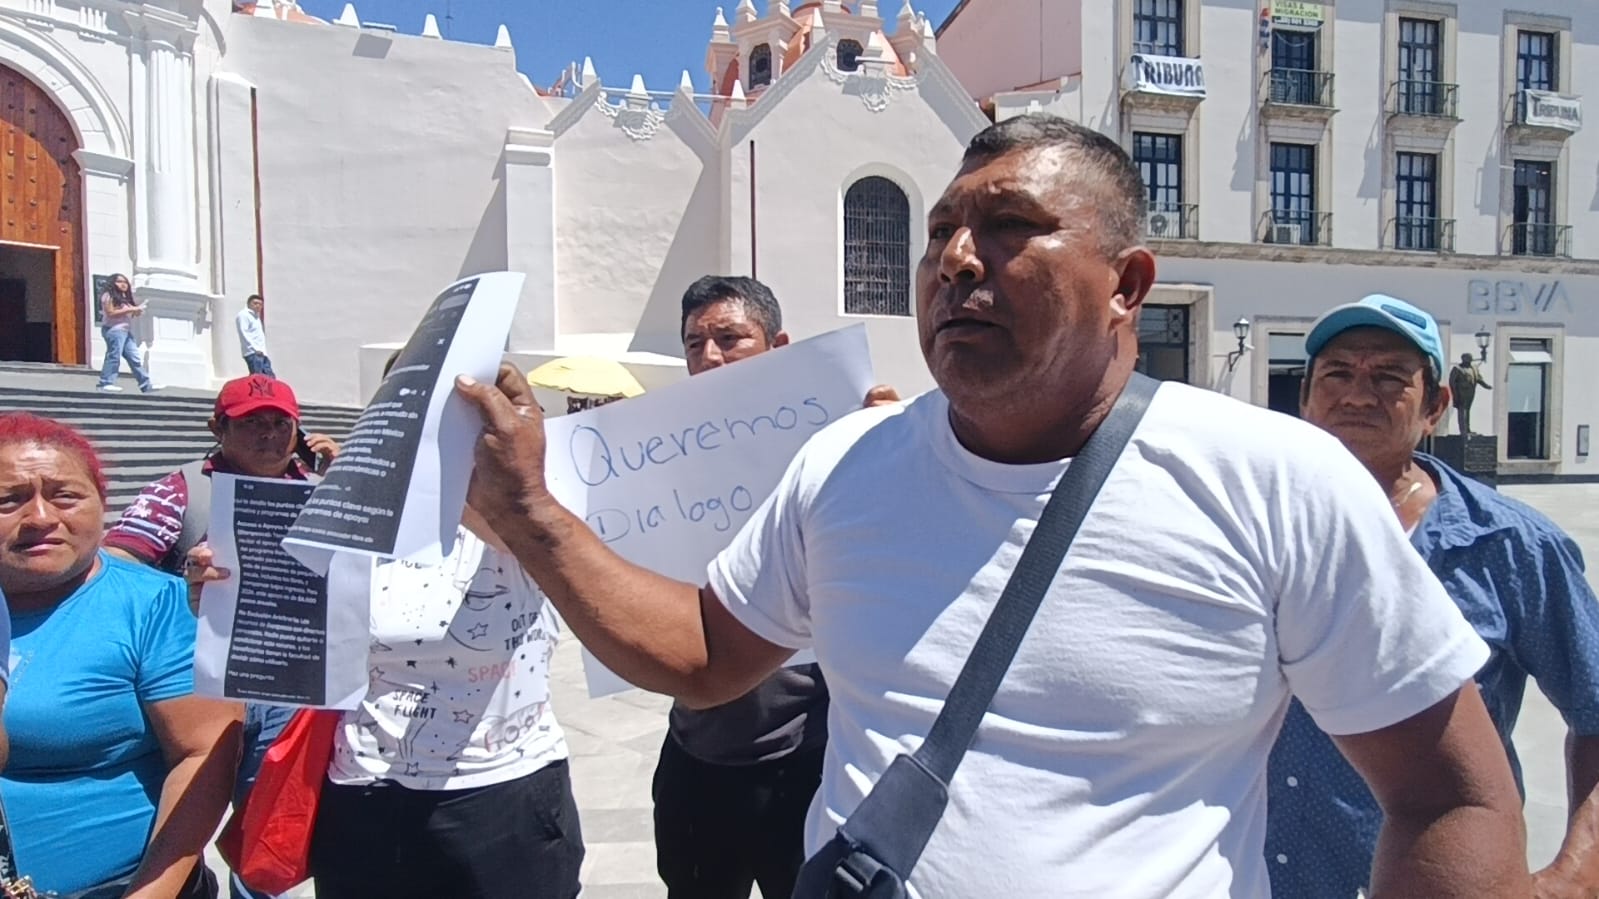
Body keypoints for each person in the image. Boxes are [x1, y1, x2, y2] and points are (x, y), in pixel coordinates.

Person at [454, 113, 1530, 896]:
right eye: (940, 232)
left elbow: (1452, 798)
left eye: (1011, 225)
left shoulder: (1279, 482)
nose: (956, 260)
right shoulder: (845, 463)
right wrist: (531, 511)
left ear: (1127, 284)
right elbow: (704, 650)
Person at [1266, 294, 1599, 898]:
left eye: (1389, 377)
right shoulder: (1246, 527)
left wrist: (1579, 874)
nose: (1358, 395)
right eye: (1337, 373)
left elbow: (1595, 704)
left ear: (1436, 407)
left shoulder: (1511, 545)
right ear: (1306, 398)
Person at [648, 275, 897, 899]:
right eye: (695, 343)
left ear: (778, 346)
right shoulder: (655, 457)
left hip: (807, 761)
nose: (710, 357)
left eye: (730, 338)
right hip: (696, 756)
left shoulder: (835, 444)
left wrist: (888, 448)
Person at [103, 373, 338, 899]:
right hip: (193, 689)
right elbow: (117, 567)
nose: (269, 435)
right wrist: (180, 587)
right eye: (251, 423)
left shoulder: (322, 491)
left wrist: (351, 485)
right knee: (180, 825)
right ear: (218, 428)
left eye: (280, 423)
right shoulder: (181, 491)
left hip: (286, 686)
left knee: (267, 833)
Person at [0, 412, 241, 897]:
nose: (41, 517)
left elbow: (203, 755)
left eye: (65, 496)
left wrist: (151, 892)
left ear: (103, 506)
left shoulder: (157, 606)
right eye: (9, 500)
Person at [96, 273, 155, 394]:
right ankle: (105, 383)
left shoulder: (123, 299)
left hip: (125, 331)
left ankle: (145, 384)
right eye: (119, 281)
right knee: (114, 356)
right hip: (114, 330)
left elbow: (130, 313)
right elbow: (111, 313)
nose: (123, 284)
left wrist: (138, 310)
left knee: (134, 358)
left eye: (125, 282)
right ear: (112, 283)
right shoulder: (108, 296)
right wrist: (131, 309)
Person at [1449, 351, 1492, 436]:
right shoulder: (1457, 369)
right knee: (1462, 411)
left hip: (1471, 393)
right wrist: (1454, 394)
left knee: (1468, 410)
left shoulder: (1474, 368)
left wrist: (1486, 386)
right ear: (1463, 359)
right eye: (1468, 358)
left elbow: (1479, 379)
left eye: (1470, 358)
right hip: (1461, 393)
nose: (1470, 360)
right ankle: (1463, 430)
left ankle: (1468, 429)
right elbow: (1452, 382)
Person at [236, 295, 274, 377]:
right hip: (253, 352)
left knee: (269, 378)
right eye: (255, 303)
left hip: (262, 353)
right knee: (258, 379)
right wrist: (255, 349)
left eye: (260, 304)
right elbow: (244, 332)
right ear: (249, 304)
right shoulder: (244, 315)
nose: (258, 306)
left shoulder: (256, 317)